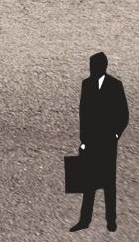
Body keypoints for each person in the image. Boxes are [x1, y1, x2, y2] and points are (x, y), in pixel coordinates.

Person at [76, 51, 128, 232]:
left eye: (94, 66)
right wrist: (83, 140)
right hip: (91, 142)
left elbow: (123, 115)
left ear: (101, 67)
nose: (91, 70)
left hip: (107, 142)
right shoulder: (87, 84)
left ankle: (111, 220)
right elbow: (83, 114)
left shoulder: (115, 85)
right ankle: (85, 219)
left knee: (109, 183)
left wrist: (115, 135)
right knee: (88, 182)